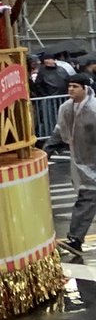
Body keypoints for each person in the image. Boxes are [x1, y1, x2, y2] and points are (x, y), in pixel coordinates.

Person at [44, 74, 96, 256]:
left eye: (75, 86)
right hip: (82, 164)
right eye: (69, 86)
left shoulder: (93, 110)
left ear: (85, 88)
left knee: (86, 200)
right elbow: (59, 131)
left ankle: (75, 238)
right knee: (87, 198)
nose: (71, 89)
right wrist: (47, 151)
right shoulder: (67, 108)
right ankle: (75, 239)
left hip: (92, 165)